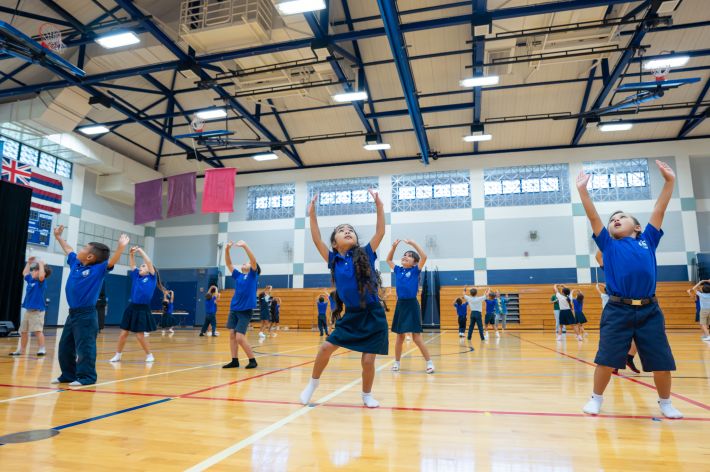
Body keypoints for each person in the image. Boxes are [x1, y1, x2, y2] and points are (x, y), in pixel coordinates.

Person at [577, 161, 682, 418]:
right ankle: (596, 398)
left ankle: (666, 403)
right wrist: (583, 192)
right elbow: (593, 217)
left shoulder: (648, 239)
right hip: (617, 309)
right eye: (613, 219)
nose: (615, 220)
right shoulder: (609, 245)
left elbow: (659, 209)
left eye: (621, 217)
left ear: (636, 227)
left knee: (661, 361)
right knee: (606, 358)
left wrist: (669, 182)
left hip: (649, 310)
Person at [299, 190, 388, 408]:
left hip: (373, 314)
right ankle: (312, 384)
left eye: (350, 230)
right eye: (341, 231)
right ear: (335, 243)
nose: (347, 231)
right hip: (352, 316)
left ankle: (367, 395)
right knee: (325, 349)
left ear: (356, 239)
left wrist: (379, 206)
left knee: (368, 360)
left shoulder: (366, 253)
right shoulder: (333, 259)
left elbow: (381, 231)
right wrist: (312, 214)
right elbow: (316, 238)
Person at [51, 225, 128, 386]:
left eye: (84, 248)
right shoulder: (76, 264)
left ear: (90, 257)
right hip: (72, 314)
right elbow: (69, 249)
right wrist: (58, 237)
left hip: (86, 315)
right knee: (65, 346)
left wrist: (121, 248)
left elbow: (111, 262)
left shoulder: (98, 269)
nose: (80, 249)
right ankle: (68, 375)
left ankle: (87, 377)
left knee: (85, 347)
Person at [387, 239, 434, 374]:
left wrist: (413, 243)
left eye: (409, 255)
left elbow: (424, 257)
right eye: (404, 254)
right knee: (399, 337)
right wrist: (394, 247)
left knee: (416, 338)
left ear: (414, 262)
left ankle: (429, 363)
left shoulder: (415, 270)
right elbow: (388, 260)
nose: (405, 256)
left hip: (412, 304)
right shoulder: (397, 270)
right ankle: (396, 362)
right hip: (401, 305)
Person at [110, 247, 163, 363]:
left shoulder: (151, 278)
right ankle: (118, 355)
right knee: (123, 334)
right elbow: (133, 266)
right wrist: (131, 255)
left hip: (142, 309)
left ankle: (149, 355)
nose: (141, 267)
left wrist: (140, 250)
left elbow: (148, 262)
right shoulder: (136, 276)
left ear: (150, 270)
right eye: (141, 266)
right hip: (132, 307)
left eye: (143, 266)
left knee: (140, 336)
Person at [222, 240, 259, 369]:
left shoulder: (252, 276)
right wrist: (227, 249)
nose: (246, 262)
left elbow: (253, 260)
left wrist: (245, 246)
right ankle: (234, 360)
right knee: (232, 335)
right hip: (234, 308)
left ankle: (252, 360)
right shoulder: (238, 275)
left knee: (239, 337)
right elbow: (228, 263)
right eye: (245, 262)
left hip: (245, 310)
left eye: (247, 262)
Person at [10, 258, 52, 357]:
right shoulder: (31, 280)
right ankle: (21, 350)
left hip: (37, 311)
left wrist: (41, 264)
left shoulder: (41, 283)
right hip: (28, 311)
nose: (32, 271)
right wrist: (29, 263)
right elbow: (24, 273)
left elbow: (42, 275)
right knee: (23, 331)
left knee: (38, 331)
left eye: (35, 270)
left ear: (40, 272)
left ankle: (42, 349)